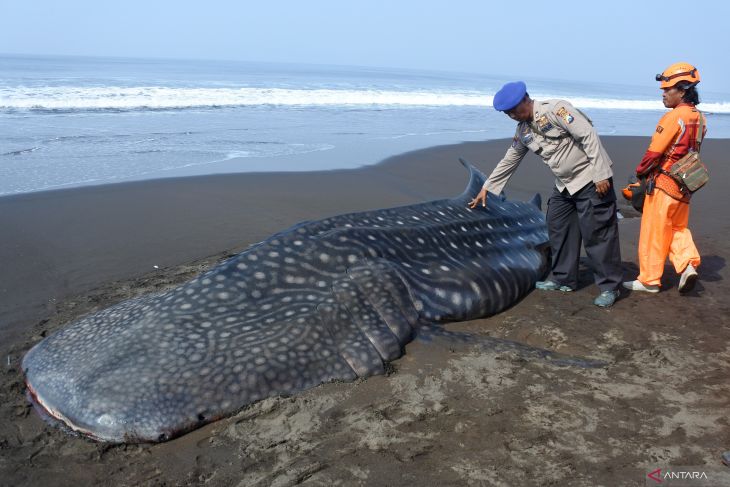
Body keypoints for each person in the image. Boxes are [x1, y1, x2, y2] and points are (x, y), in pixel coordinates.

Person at [469, 81, 623, 307]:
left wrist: (601, 173)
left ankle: (610, 287)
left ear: (525, 99)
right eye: (507, 113)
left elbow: (588, 135)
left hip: (590, 178)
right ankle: (564, 278)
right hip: (565, 184)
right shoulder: (523, 131)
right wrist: (487, 187)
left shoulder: (556, 110)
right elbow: (510, 159)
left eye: (514, 109)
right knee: (557, 226)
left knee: (598, 234)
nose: (512, 115)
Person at [623, 62, 705, 294]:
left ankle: (649, 280)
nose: (663, 94)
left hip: (663, 185)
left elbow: (654, 153)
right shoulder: (699, 118)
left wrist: (639, 176)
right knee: (678, 229)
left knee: (653, 232)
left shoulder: (673, 117)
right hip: (686, 184)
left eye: (667, 90)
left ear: (682, 90)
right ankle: (688, 265)